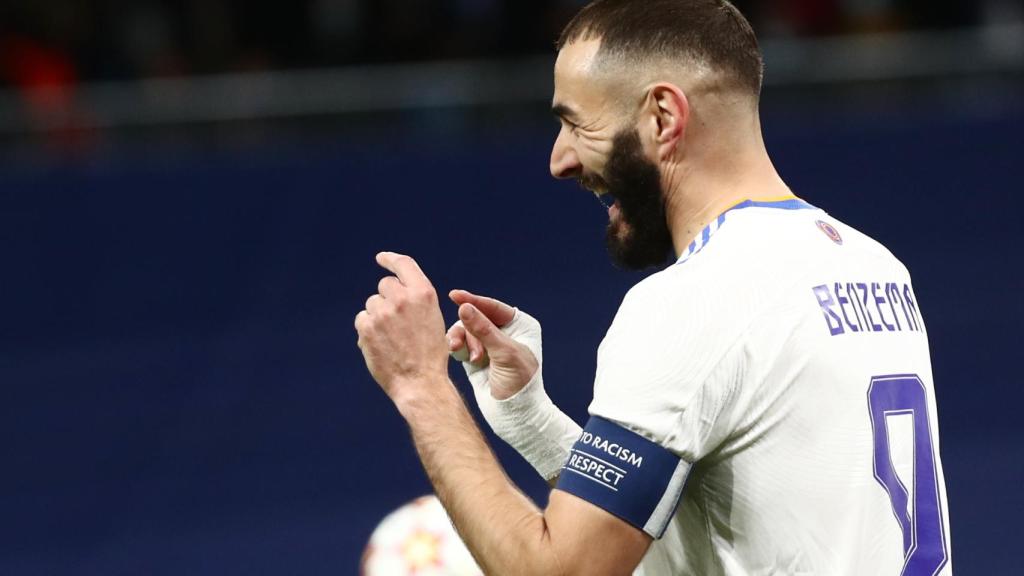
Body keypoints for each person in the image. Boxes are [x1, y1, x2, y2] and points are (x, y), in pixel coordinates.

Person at [353, 0, 953, 574]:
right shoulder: (873, 266)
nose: (558, 160)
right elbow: (686, 546)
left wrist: (420, 385)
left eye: (574, 123)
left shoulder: (695, 298)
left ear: (663, 117)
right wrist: (529, 418)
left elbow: (561, 571)